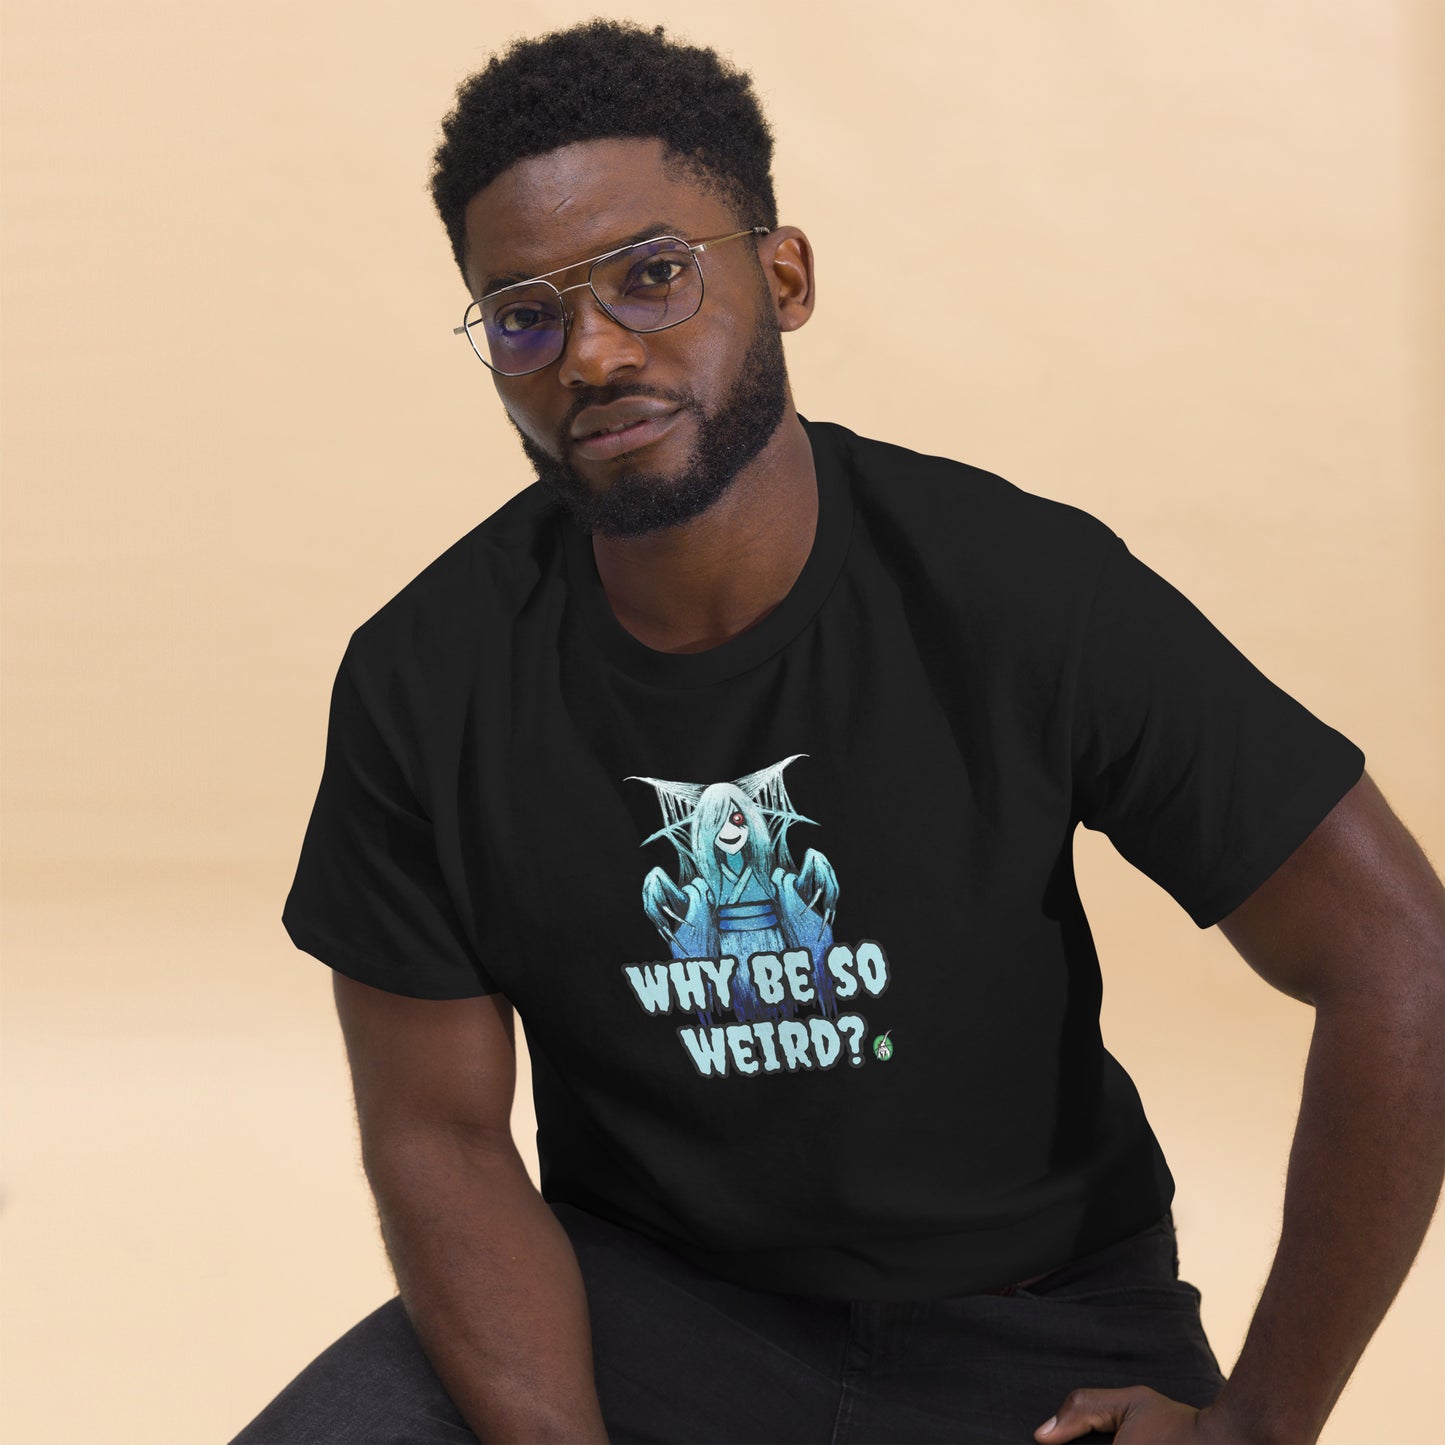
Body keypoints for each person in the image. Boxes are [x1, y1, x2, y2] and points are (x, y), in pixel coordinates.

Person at [230, 19, 1445, 1445]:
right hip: (641, 1310)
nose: (594, 351)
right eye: (524, 316)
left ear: (783, 276)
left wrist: (1259, 1424)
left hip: (1032, 1329)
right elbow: (436, 1132)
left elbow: (1397, 957)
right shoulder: (423, 678)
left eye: (652, 274)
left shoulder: (1014, 587)